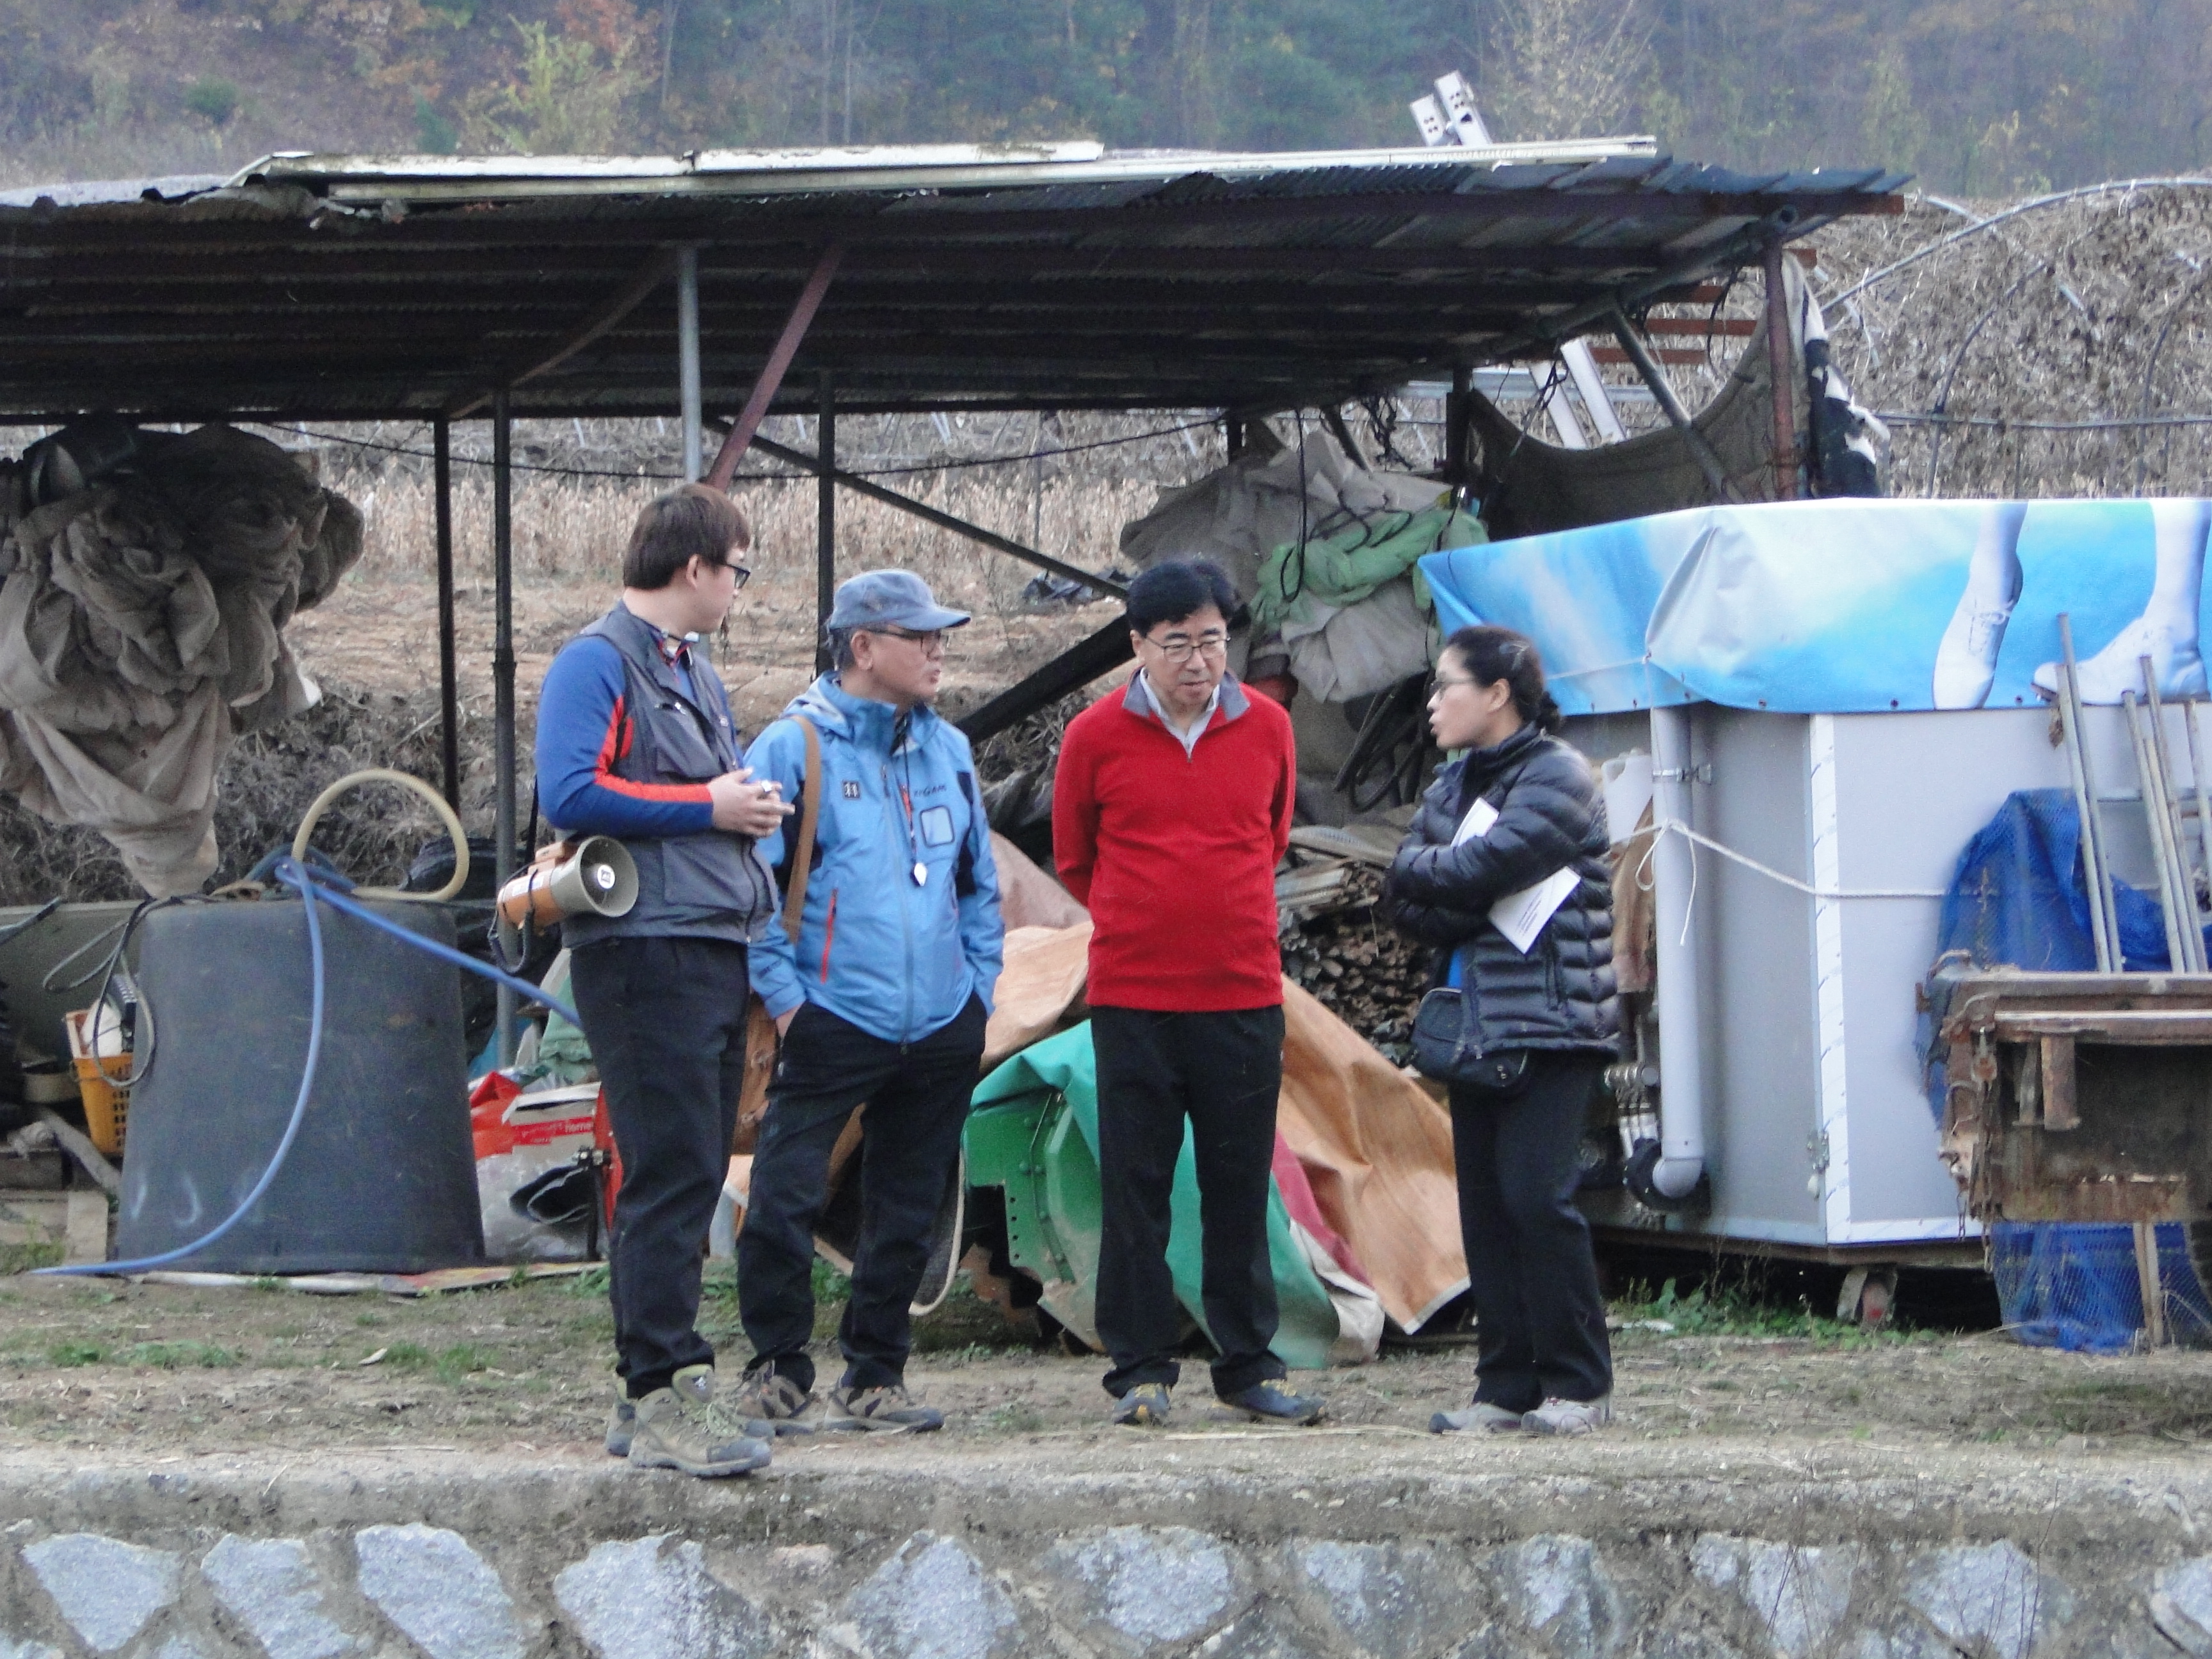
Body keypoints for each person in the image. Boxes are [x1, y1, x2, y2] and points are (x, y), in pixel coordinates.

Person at [534, 483, 793, 1479]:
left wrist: (737, 812)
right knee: (672, 1170)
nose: (738, 589)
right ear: (695, 568)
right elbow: (569, 792)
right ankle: (659, 1390)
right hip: (644, 952)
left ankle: (656, 1389)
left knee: (691, 1162)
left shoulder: (692, 671)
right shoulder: (596, 663)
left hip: (707, 943)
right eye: (737, 569)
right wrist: (709, 808)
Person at [1051, 557, 1321, 1429]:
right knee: (1137, 1187)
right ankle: (1139, 1369)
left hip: (1242, 992)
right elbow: (1075, 857)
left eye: (1212, 640)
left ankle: (1250, 1365)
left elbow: (1271, 837)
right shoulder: (1093, 736)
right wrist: (1146, 916)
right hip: (1134, 998)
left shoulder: (1269, 727)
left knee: (1239, 1184)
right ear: (1137, 645)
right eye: (1177, 644)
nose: (1199, 660)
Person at [735, 570, 1004, 1434]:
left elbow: (978, 885)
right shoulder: (791, 749)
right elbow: (749, 894)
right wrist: (790, 1006)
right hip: (833, 1015)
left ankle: (875, 1375)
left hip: (941, 1020)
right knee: (784, 1196)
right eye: (919, 637)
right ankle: (778, 1368)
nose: (938, 651)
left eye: (939, 636)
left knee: (906, 1205)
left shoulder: (948, 750)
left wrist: (978, 991)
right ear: (862, 648)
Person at [1378, 624, 1619, 1437]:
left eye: (1446, 685)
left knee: (1537, 1200)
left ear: (1497, 694)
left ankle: (1579, 1385)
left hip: (1552, 1022)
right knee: (1485, 1212)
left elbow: (1490, 864)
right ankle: (1506, 1387)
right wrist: (1452, 885)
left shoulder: (1559, 775)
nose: (1432, 702)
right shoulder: (1451, 786)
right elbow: (1403, 895)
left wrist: (1446, 880)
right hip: (1473, 1025)